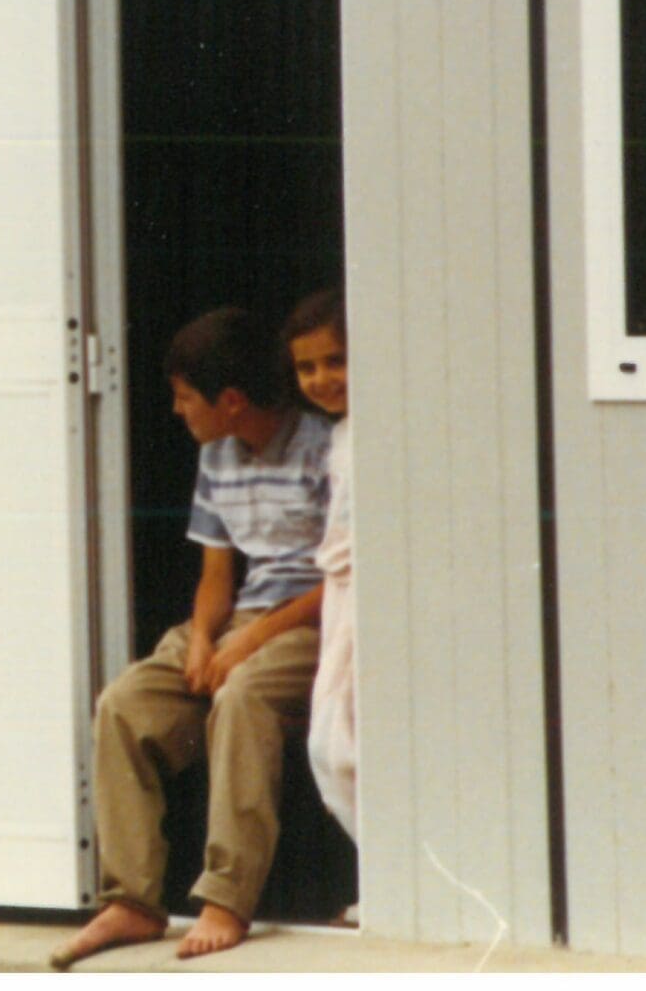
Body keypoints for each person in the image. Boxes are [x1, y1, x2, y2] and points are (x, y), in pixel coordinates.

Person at [50, 306, 331, 968]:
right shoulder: (216, 455)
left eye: (183, 396)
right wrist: (204, 639)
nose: (176, 410)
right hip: (240, 619)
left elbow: (344, 578)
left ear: (230, 400)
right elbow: (215, 575)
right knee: (125, 703)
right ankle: (133, 900)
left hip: (309, 620)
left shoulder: (324, 449)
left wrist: (245, 646)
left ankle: (228, 898)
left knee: (241, 697)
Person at [287, 287, 357, 861]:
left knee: (349, 744)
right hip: (340, 597)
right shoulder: (340, 435)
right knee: (327, 743)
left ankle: (393, 876)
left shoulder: (376, 433)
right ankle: (378, 871)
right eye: (306, 368)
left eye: (335, 361)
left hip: (365, 596)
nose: (320, 379)